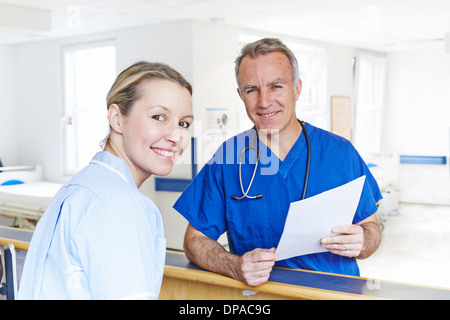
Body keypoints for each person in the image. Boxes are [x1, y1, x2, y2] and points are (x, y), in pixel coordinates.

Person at [173, 38, 382, 287]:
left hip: (336, 294)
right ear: (240, 95)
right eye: (252, 89)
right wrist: (234, 265)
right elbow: (193, 240)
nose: (264, 101)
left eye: (276, 86)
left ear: (297, 89)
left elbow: (371, 228)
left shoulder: (340, 153)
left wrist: (363, 241)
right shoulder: (228, 158)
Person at [18, 61, 193, 299]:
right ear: (117, 119)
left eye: (184, 123)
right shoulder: (120, 205)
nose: (175, 136)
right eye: (159, 116)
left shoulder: (81, 187)